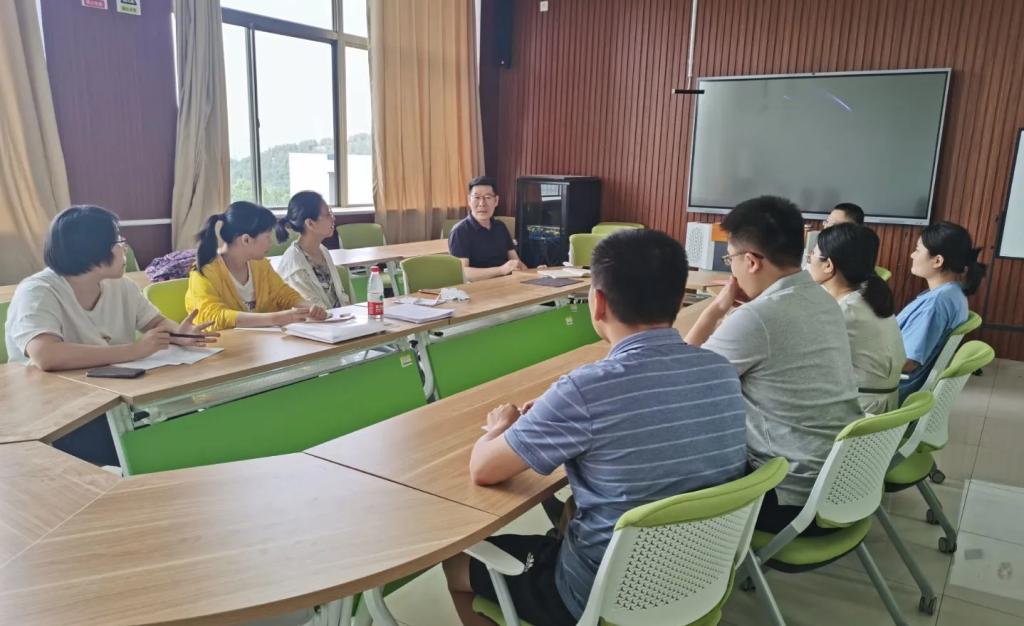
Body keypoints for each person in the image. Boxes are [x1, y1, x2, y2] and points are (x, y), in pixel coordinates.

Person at [442, 229, 748, 626]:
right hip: (699, 577)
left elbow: (483, 469)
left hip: (601, 597)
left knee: (456, 564)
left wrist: (499, 426)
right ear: (678, 301)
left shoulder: (584, 391)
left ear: (598, 302)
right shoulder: (721, 372)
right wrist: (558, 412)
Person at [685, 195, 862, 534]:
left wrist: (716, 309)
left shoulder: (758, 317)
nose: (731, 268)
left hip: (789, 497)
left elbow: (682, 379)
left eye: (730, 258)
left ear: (751, 261)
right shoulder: (824, 299)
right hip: (843, 485)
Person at [4, 205, 218, 464]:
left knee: (185, 421)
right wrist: (133, 351)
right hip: (55, 415)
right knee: (154, 446)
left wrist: (179, 333)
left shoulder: (122, 286)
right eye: (118, 241)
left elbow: (155, 322)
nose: (125, 248)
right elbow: (46, 355)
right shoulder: (38, 291)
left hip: (113, 398)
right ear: (92, 249)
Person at [807, 224, 905, 414]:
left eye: (813, 254)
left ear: (828, 265)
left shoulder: (846, 311)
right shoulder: (868, 293)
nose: (809, 259)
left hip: (860, 411)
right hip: (877, 404)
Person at [185, 201, 328, 331]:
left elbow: (283, 294)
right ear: (246, 240)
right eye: (267, 237)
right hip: (224, 348)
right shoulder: (204, 272)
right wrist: (275, 318)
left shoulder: (260, 265)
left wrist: (307, 307)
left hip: (260, 344)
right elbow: (213, 316)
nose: (270, 242)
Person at [897, 221, 986, 399]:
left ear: (937, 261)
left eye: (917, 250)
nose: (912, 255)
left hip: (889, 389)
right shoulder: (953, 293)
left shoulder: (935, 304)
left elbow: (908, 362)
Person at [274, 191, 350, 310]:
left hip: (335, 318)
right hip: (316, 321)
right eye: (328, 214)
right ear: (310, 223)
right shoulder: (294, 264)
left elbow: (340, 297)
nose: (333, 218)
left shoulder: (322, 250)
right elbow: (313, 311)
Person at [448, 176, 526, 281]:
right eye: (477, 197)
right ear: (469, 200)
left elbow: (516, 262)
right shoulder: (460, 231)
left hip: (507, 283)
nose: (482, 203)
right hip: (479, 287)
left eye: (488, 197)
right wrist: (501, 270)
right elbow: (463, 272)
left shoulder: (500, 227)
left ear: (496, 201)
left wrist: (536, 273)